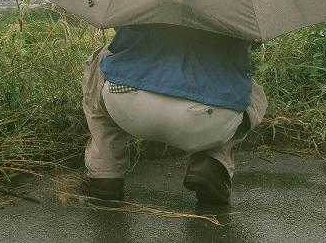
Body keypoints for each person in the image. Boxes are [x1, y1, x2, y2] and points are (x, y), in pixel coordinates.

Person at [81, 23, 268, 204]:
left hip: (127, 98)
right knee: (253, 95)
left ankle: (106, 172)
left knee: (99, 62)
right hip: (208, 117)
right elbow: (253, 42)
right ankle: (213, 163)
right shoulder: (238, 0)